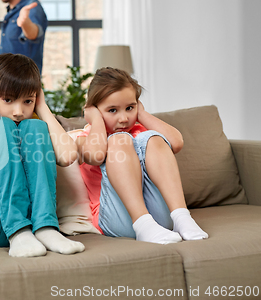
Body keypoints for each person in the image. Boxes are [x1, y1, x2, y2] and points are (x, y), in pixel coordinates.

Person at [0, 53, 85, 257]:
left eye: (27, 101)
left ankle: (46, 228)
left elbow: (68, 156)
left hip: (32, 223)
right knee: (2, 126)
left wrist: (41, 107)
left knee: (34, 126)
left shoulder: (33, 120)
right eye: (8, 100)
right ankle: (18, 232)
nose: (18, 111)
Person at [76, 67, 208, 244]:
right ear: (94, 110)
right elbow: (96, 155)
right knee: (120, 140)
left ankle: (182, 217)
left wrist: (142, 114)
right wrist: (96, 121)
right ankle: (142, 224)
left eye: (129, 108)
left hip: (160, 219)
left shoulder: (141, 132)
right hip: (117, 219)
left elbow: (176, 143)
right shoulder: (85, 138)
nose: (123, 118)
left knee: (152, 137)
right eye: (112, 110)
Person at [0, 0, 48, 74]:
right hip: (6, 83)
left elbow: (34, 34)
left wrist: (25, 22)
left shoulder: (32, 7)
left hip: (23, 86)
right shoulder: (10, 13)